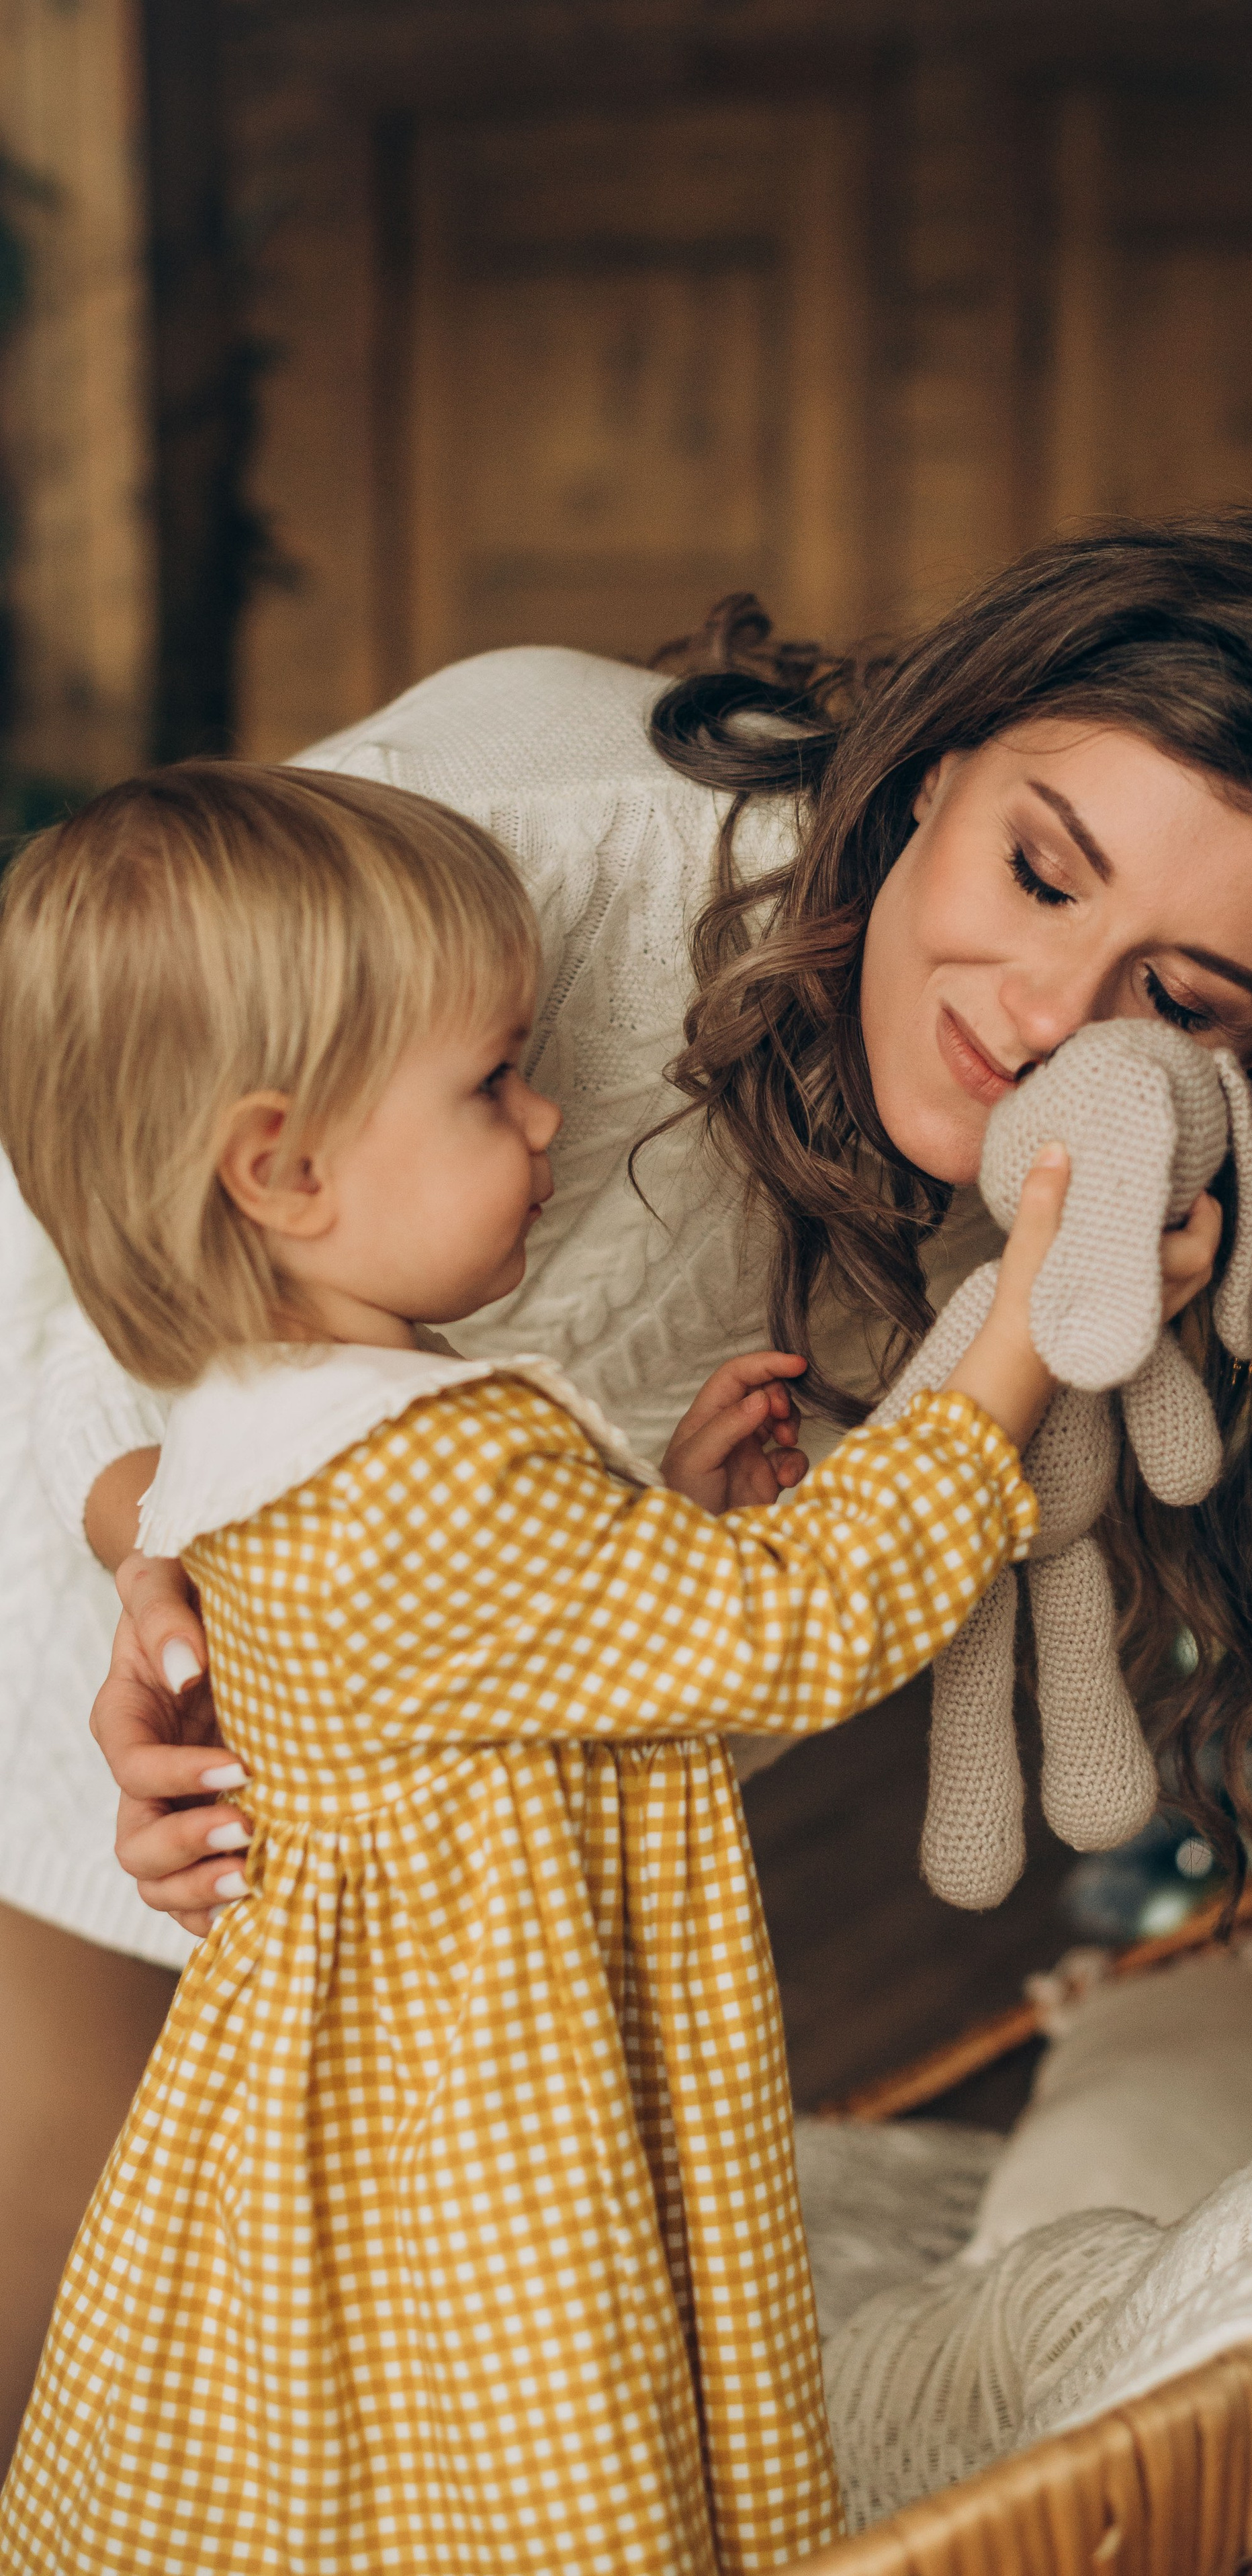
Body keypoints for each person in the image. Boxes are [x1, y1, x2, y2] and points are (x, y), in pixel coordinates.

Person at [0, 513, 1252, 2446]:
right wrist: (162, 1563)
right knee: (79, 2370)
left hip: (496, 1893)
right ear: (938, 750)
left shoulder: (1088, 1190)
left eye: (1189, 996)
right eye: (1040, 870)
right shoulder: (537, 829)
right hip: (110, 1664)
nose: (1049, 1019)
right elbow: (73, 1191)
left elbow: (712, 1614)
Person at [0, 762, 1073, 2574]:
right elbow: (797, 1627)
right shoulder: (429, 1469)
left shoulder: (274, 1426)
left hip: (375, 2072)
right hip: (486, 2108)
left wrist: (655, 1517)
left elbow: (489, 1675)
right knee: (520, 2463)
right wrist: (1023, 1337)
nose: (553, 1108)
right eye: (492, 1081)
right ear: (286, 1166)